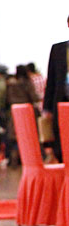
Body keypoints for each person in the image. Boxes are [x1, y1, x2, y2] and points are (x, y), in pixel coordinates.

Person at [43, 15, 69, 162]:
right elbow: (51, 81)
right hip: (61, 103)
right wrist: (47, 108)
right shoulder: (58, 49)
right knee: (61, 145)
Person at [5, 64, 40, 167]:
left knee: (15, 138)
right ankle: (27, 161)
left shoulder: (11, 84)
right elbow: (33, 97)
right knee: (27, 137)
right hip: (26, 113)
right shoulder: (27, 83)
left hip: (14, 112)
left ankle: (14, 159)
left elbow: (7, 99)